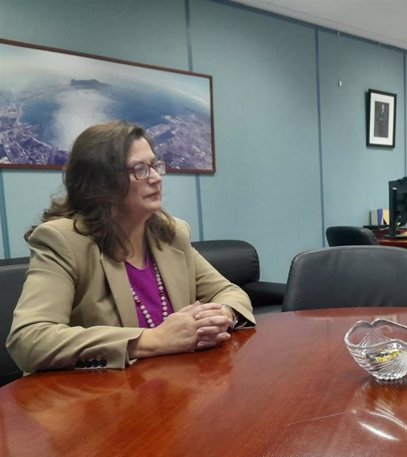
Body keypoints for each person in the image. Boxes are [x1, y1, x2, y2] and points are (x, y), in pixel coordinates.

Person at [7, 121, 255, 373]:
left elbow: (230, 293)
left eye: (155, 166)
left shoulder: (171, 234)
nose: (156, 178)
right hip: (99, 399)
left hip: (177, 390)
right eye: (140, 169)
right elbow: (29, 340)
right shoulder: (63, 240)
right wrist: (154, 339)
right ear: (100, 182)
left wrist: (221, 316)